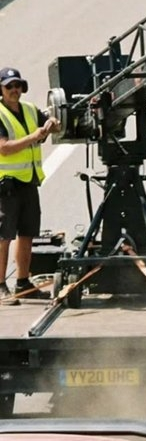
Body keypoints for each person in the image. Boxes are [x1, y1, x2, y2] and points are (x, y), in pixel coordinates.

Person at [0, 66, 60, 306]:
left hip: (28, 181)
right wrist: (34, 137)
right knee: (4, 236)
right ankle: (0, 286)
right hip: (6, 185)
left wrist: (53, 122)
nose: (14, 90)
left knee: (27, 234)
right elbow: (4, 148)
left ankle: (23, 283)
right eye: (9, 86)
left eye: (17, 85)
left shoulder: (29, 109)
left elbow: (52, 125)